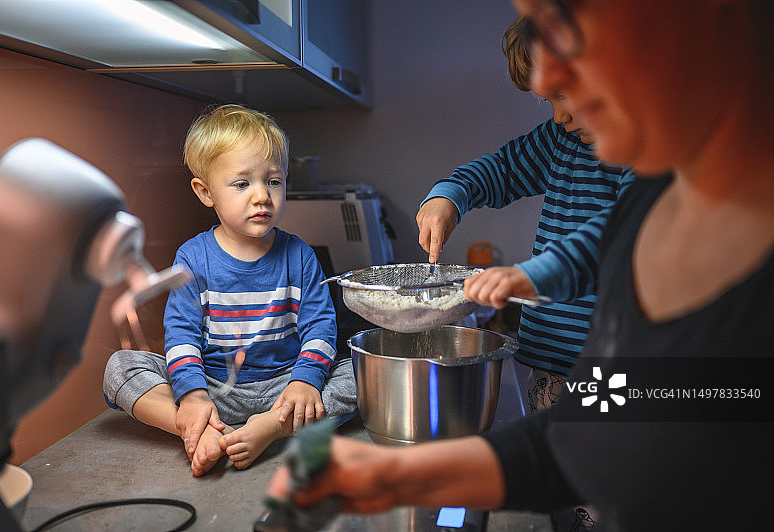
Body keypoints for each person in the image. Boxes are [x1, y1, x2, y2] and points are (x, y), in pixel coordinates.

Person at [266, 1, 774, 529]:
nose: (554, 89)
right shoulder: (648, 209)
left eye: (570, 39)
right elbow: (585, 436)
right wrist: (399, 475)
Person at [103, 104, 357, 476]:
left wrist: (305, 382)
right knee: (120, 367)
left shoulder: (300, 255)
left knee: (363, 374)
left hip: (284, 389)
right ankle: (194, 426)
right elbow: (181, 334)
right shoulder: (193, 256)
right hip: (214, 389)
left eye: (273, 181)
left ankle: (270, 429)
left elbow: (320, 328)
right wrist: (192, 395)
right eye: (242, 184)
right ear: (206, 192)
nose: (262, 196)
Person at [416, 16, 634, 416]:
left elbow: (624, 234)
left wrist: (533, 274)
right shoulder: (562, 140)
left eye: (564, 94)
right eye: (547, 100)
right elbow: (499, 169)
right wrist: (448, 197)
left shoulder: (645, 154)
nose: (558, 116)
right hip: (549, 360)